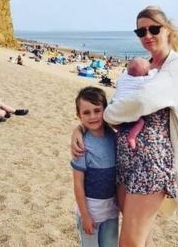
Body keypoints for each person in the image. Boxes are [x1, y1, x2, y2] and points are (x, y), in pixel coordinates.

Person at [71, 6, 178, 246]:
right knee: (141, 236)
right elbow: (119, 99)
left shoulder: (177, 66)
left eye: (153, 29)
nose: (147, 35)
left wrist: (109, 115)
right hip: (126, 159)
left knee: (129, 242)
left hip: (151, 163)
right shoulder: (144, 66)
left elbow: (141, 100)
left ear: (167, 30)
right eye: (140, 32)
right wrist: (81, 129)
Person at [71, 86, 119, 246]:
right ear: (79, 115)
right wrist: (85, 216)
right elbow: (77, 183)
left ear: (105, 110)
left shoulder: (114, 137)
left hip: (111, 211)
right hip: (91, 212)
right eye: (86, 112)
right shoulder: (81, 144)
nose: (92, 116)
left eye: (97, 110)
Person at [112, 57, 151, 149]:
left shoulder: (122, 77)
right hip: (128, 110)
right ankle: (132, 136)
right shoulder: (142, 80)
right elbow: (154, 75)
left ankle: (119, 128)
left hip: (116, 107)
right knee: (140, 121)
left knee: (119, 123)